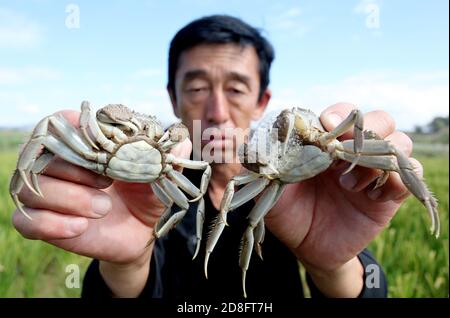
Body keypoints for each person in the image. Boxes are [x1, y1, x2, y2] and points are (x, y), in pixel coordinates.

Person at [12, 14, 419, 298]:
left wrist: (334, 265)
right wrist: (126, 265)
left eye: (237, 89)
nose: (218, 112)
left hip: (274, 177)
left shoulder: (303, 190)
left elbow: (361, 291)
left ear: (263, 102)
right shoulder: (146, 197)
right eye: (197, 88)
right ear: (172, 98)